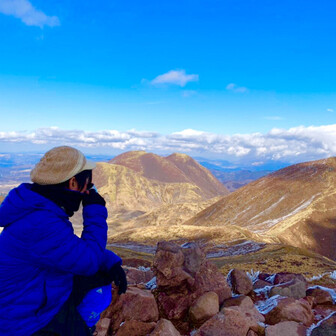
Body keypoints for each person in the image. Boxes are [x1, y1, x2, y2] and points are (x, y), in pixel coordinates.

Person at [0, 146, 127, 336]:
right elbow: (89, 262)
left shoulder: (38, 207)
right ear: (74, 183)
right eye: (88, 183)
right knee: (97, 280)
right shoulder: (40, 222)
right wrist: (94, 210)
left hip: (32, 297)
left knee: (100, 276)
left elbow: (70, 248)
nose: (89, 190)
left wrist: (110, 261)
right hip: (24, 321)